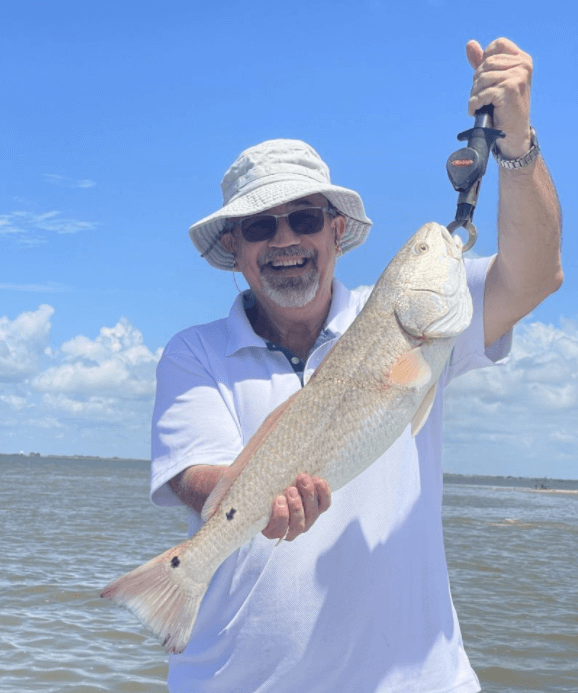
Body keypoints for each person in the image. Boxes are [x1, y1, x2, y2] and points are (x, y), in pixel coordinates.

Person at [150, 38, 562, 693]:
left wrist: (515, 144)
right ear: (234, 245)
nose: (285, 239)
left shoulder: (418, 324)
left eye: (305, 217)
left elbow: (538, 274)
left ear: (336, 230)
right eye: (259, 227)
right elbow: (192, 474)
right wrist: (254, 495)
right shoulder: (192, 352)